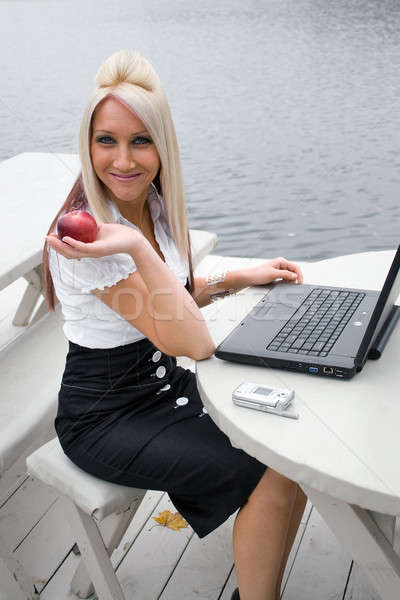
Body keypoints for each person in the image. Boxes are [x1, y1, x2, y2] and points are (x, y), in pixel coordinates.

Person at [44, 50, 307, 600]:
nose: (123, 160)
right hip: (103, 413)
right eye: (105, 140)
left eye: (141, 140)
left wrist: (237, 276)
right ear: (86, 145)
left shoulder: (154, 206)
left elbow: (174, 302)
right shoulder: (89, 236)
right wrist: (137, 247)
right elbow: (190, 339)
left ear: (164, 145)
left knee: (289, 447)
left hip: (160, 384)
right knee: (268, 471)